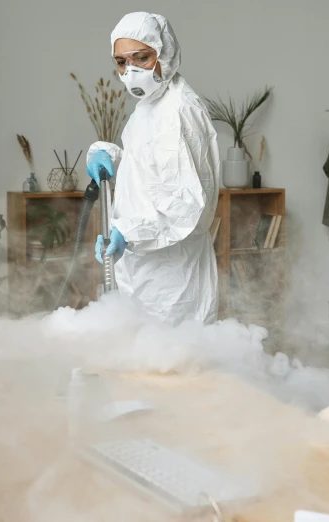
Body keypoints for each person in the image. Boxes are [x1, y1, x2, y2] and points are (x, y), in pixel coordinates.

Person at [86, 12, 221, 325]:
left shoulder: (179, 111)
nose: (130, 71)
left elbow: (186, 207)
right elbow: (148, 163)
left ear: (165, 53)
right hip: (139, 269)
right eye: (121, 61)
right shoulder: (149, 105)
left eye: (141, 58)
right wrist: (107, 154)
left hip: (172, 286)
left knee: (169, 366)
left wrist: (127, 232)